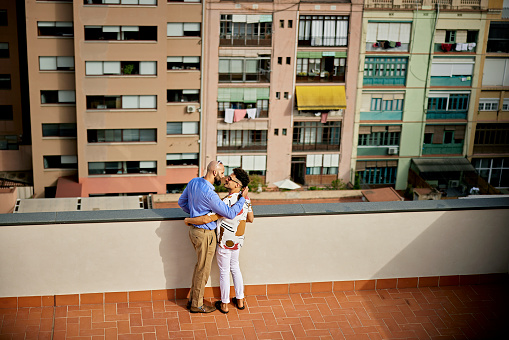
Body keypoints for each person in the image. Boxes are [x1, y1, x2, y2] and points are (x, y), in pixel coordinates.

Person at [178, 160, 248, 313]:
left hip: (194, 232)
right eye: (222, 173)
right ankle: (197, 305)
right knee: (203, 269)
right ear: (215, 172)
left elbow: (181, 202)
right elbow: (229, 213)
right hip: (205, 234)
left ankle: (193, 300)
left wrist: (194, 213)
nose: (223, 177)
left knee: (199, 267)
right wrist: (243, 198)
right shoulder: (211, 195)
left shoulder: (194, 182)